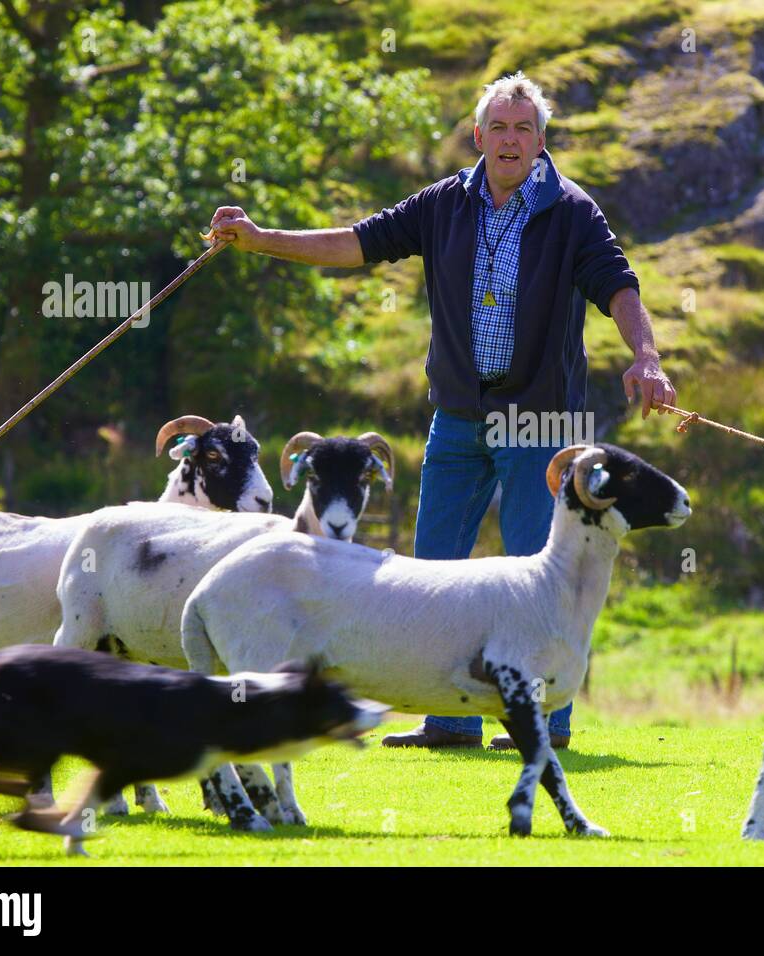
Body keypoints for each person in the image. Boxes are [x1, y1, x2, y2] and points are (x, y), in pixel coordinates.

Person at [207, 71, 676, 749]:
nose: (511, 140)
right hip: (457, 415)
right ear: (479, 135)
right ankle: (448, 721)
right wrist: (257, 238)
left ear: (540, 141)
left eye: (524, 129)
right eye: (500, 128)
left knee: (536, 569)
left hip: (540, 422)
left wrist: (647, 356)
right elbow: (355, 243)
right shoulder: (443, 203)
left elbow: (618, 284)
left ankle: (544, 724)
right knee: (432, 568)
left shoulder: (573, 211)